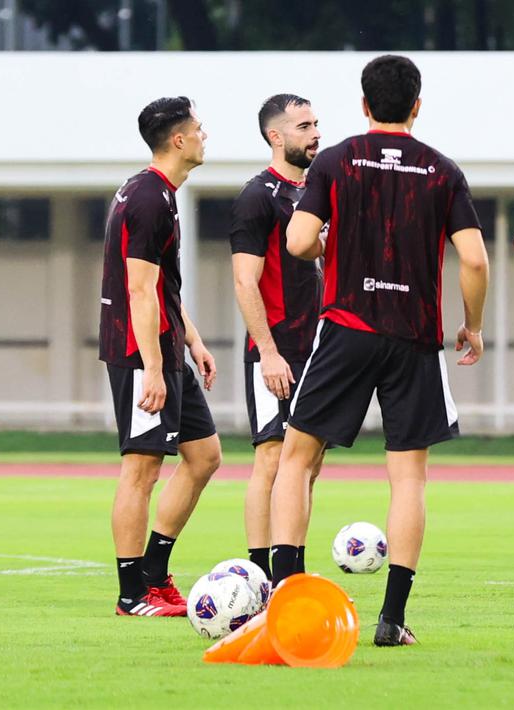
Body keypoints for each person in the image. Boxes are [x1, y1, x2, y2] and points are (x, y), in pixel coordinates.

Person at [271, 55, 489, 647]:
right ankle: (392, 619)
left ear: (364, 105)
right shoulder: (443, 171)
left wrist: (328, 242)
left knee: (295, 458)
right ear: (417, 105)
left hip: (345, 327)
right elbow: (473, 259)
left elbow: (295, 242)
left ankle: (285, 602)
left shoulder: (337, 159)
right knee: (408, 478)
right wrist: (472, 325)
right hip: (415, 338)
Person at [99, 96, 221, 617]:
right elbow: (140, 290)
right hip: (139, 353)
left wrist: (192, 339)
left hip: (168, 348)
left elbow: (162, 286)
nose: (204, 135)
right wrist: (152, 367)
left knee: (205, 456)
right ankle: (132, 595)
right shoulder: (149, 197)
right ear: (178, 139)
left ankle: (154, 572)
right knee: (142, 470)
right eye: (198, 128)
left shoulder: (158, 193)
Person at [229, 94, 323, 579]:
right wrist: (267, 353)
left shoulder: (317, 194)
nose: (315, 134)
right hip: (276, 350)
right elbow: (245, 281)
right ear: (276, 136)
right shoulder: (257, 196)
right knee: (272, 455)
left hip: (319, 348)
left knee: (308, 462)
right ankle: (258, 573)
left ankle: (294, 569)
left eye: (316, 124)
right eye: (304, 126)